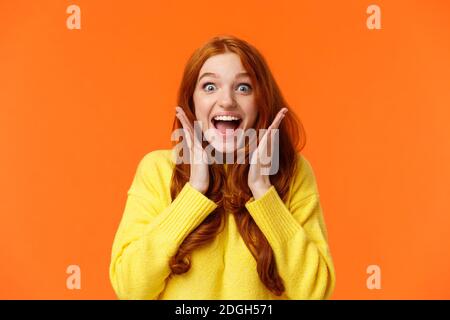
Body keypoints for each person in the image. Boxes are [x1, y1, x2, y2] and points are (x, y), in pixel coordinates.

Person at [109, 35, 336, 300]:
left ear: (262, 100)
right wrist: (193, 191)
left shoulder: (292, 171)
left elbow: (315, 293)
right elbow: (130, 288)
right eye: (209, 86)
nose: (226, 101)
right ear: (191, 101)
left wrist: (263, 191)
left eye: (243, 87)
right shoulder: (158, 169)